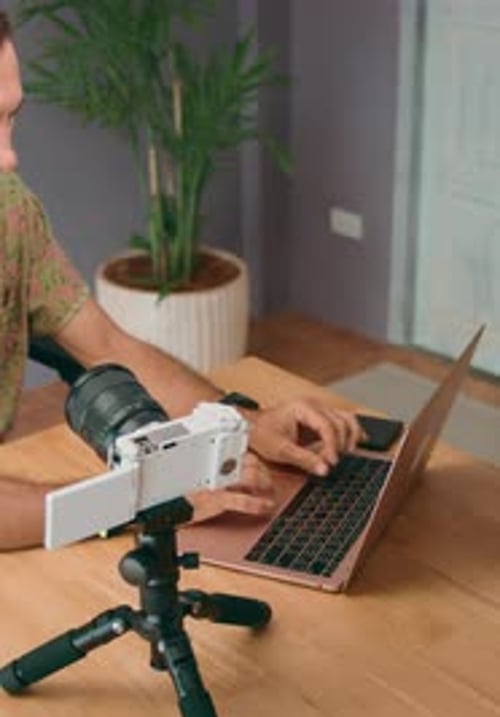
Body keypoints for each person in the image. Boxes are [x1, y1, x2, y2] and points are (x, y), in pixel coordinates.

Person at [0, 10, 363, 550]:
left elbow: (107, 346)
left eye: (10, 118)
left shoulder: (10, 212)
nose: (9, 157)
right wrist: (142, 499)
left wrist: (244, 425)